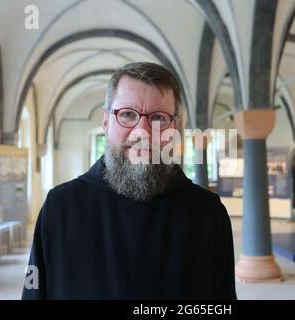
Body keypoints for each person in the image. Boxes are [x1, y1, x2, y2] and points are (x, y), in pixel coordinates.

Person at [22, 62, 237, 300]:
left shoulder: (208, 214)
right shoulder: (60, 208)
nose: (142, 131)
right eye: (127, 114)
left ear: (173, 127)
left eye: (158, 117)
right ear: (106, 122)